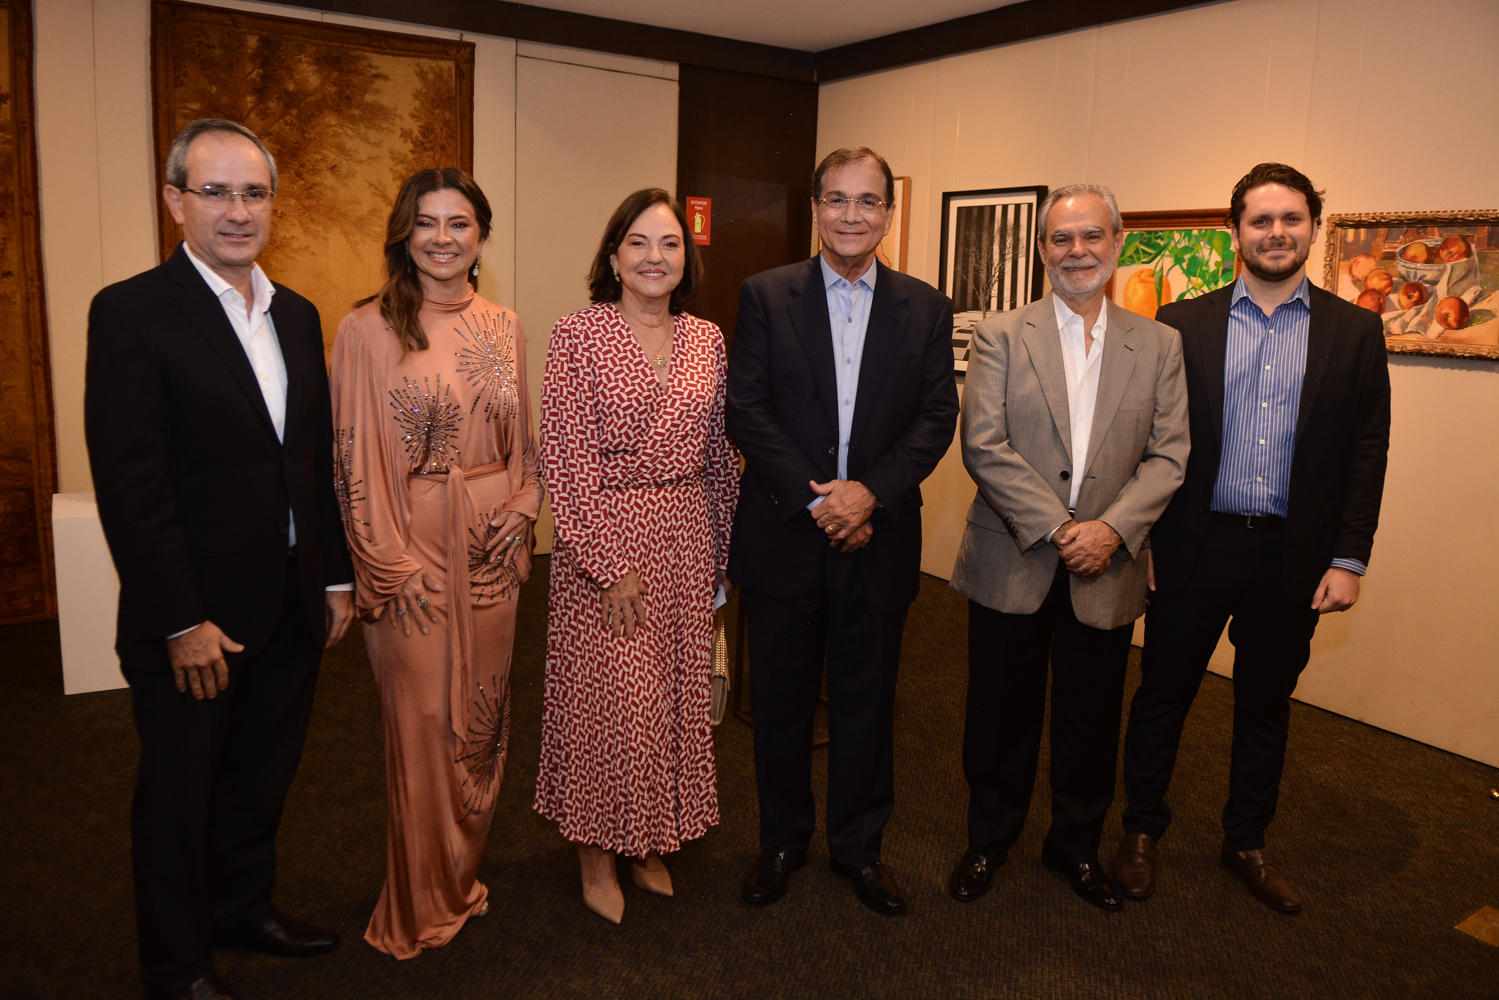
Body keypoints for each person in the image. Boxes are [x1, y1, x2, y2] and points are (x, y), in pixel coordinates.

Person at [84, 119, 354, 1000]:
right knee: (178, 794)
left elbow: (312, 461)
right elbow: (133, 485)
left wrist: (334, 575)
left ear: (273, 204)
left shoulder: (299, 313)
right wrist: (179, 618)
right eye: (216, 192)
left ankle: (243, 909)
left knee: (260, 775)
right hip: (194, 614)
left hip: (287, 600)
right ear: (175, 201)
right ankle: (174, 963)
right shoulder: (131, 312)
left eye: (253, 193)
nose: (237, 211)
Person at [1116, 163, 1391, 914]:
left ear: (1312, 227)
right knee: (1161, 696)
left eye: (1291, 219)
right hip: (1190, 545)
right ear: (1234, 231)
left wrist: (1347, 557)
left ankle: (1246, 839)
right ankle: (1140, 833)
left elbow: (1368, 451)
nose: (1276, 233)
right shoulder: (1182, 326)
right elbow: (1146, 446)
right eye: (1261, 220)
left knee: (1265, 704)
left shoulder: (1355, 330)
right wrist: (1139, 540)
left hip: (1293, 558)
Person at [728, 147, 959, 917]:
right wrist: (820, 501)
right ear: (816, 208)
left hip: (879, 539)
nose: (851, 215)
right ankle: (782, 843)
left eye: (867, 202)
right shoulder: (765, 295)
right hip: (785, 536)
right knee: (781, 705)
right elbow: (746, 410)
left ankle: (860, 850)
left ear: (887, 213)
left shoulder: (925, 307)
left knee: (867, 706)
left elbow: (935, 418)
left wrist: (870, 496)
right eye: (836, 200)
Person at [946, 184, 1189, 912]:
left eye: (1090, 236)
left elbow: (1169, 456)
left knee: (1090, 721)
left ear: (1115, 246)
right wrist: (1058, 529)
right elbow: (982, 445)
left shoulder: (1159, 344)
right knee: (996, 716)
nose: (1075, 251)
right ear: (1042, 249)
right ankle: (988, 841)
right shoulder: (999, 334)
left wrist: (1110, 530)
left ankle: (1074, 850)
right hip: (1012, 558)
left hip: (1107, 566)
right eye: (1060, 238)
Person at [329, 169, 542, 956]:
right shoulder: (365, 329)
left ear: (481, 236)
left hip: (492, 550)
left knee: (480, 727)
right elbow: (350, 455)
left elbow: (527, 450)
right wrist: (388, 564)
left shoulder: (506, 323)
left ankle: (461, 882)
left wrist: (521, 515)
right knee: (422, 727)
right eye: (428, 223)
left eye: (460, 224)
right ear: (403, 234)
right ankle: (417, 906)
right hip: (409, 550)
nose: (444, 238)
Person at [534, 188, 738, 925]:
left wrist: (723, 552)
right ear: (613, 257)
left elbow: (718, 453)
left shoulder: (708, 340)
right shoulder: (577, 334)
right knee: (611, 706)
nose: (655, 258)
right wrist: (603, 561)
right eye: (639, 244)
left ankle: (646, 839)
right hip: (607, 540)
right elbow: (562, 455)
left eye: (670, 245)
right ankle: (595, 852)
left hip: (686, 536)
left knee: (670, 700)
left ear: (686, 259)